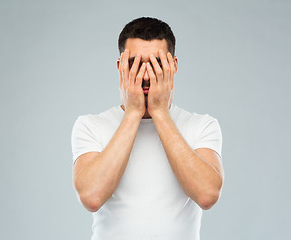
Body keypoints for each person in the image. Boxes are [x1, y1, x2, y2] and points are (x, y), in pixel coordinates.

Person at [71, 16, 224, 240]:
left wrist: (160, 112)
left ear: (174, 66)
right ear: (120, 67)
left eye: (156, 65)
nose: (145, 76)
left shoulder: (202, 125)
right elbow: (91, 197)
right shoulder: (91, 126)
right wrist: (133, 113)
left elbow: (207, 195)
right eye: (135, 64)